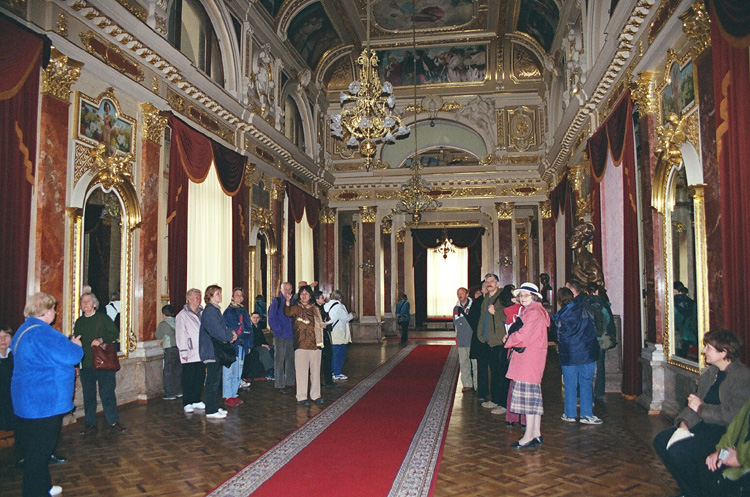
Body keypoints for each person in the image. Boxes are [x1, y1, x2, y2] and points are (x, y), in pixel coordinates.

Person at [653, 329, 750, 497]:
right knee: (661, 441)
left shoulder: (742, 376)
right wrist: (684, 425)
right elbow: (694, 403)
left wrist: (701, 409)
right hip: (702, 423)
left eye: (708, 347)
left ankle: (696, 493)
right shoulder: (710, 373)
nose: (704, 351)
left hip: (723, 430)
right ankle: (692, 491)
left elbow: (734, 417)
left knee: (679, 452)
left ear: (724, 351)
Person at [11, 292, 83, 497]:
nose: (55, 312)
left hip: (26, 401)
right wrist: (75, 345)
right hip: (45, 402)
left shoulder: (23, 329)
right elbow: (72, 355)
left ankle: (44, 486)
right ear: (44, 311)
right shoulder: (44, 333)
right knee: (40, 452)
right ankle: (34, 492)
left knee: (34, 448)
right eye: (53, 309)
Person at [504, 282, 550, 449]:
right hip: (531, 359)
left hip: (528, 360)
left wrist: (508, 339)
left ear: (534, 297)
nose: (522, 298)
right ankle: (536, 433)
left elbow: (524, 335)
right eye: (521, 295)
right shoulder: (532, 311)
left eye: (526, 295)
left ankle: (528, 436)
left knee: (529, 400)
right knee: (533, 399)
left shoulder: (533, 312)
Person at [75, 292, 125, 435]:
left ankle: (113, 421)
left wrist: (102, 339)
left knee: (107, 393)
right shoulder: (79, 322)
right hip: (86, 364)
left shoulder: (102, 319)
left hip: (103, 363)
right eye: (83, 302)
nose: (85, 304)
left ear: (95, 304)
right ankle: (90, 423)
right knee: (88, 395)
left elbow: (115, 333)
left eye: (88, 301)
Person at [551, 287, 602, 424]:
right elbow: (596, 327)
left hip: (569, 354)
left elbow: (556, 335)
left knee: (570, 385)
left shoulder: (559, 316)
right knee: (586, 383)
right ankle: (587, 414)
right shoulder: (586, 308)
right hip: (587, 352)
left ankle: (569, 413)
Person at [199, 285, 236, 419]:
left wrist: (230, 332)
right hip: (211, 350)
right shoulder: (210, 311)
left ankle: (214, 407)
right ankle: (211, 410)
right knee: (212, 381)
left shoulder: (215, 310)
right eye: (217, 293)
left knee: (215, 380)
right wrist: (230, 336)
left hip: (214, 350)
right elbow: (217, 331)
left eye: (220, 293)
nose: (220, 295)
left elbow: (222, 327)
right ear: (210, 296)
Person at [284, 285, 324, 406]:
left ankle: (315, 395)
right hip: (301, 344)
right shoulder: (296, 307)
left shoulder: (315, 308)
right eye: (302, 294)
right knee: (301, 372)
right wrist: (287, 301)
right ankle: (301, 396)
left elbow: (319, 323)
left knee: (316, 372)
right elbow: (287, 312)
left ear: (310, 295)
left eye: (306, 294)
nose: (304, 296)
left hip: (315, 344)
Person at [477, 275, 510, 414]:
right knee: (494, 372)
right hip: (488, 341)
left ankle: (503, 403)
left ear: (497, 283)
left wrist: (495, 312)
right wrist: (480, 335)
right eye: (487, 282)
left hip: (499, 340)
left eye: (492, 281)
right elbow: (482, 318)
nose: (489, 284)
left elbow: (509, 317)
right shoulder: (486, 298)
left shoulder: (503, 297)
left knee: (501, 373)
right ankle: (495, 399)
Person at [705, 397, 750, 496]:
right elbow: (736, 426)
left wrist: (740, 458)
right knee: (710, 468)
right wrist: (721, 450)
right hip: (739, 460)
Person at [175, 288, 206, 414]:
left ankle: (196, 399)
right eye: (196, 297)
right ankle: (187, 401)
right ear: (189, 299)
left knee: (200, 376)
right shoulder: (182, 315)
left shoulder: (202, 313)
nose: (198, 300)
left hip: (201, 351)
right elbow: (180, 334)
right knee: (189, 377)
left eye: (199, 297)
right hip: (190, 351)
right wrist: (183, 352)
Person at [586, 282, 617, 403]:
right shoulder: (603, 304)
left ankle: (586, 391)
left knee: (587, 366)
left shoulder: (585, 303)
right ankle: (599, 391)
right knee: (600, 365)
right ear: (598, 291)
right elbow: (609, 322)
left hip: (588, 339)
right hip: (602, 340)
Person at [223, 288, 253, 406]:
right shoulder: (228, 312)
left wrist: (249, 344)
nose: (239, 298)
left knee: (238, 371)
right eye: (237, 295)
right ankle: (227, 395)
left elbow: (249, 328)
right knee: (228, 372)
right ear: (232, 297)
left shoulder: (244, 311)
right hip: (231, 346)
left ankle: (234, 393)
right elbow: (227, 328)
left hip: (241, 344)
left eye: (241, 296)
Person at [269, 282, 295, 393]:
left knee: (291, 360)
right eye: (285, 289)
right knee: (279, 360)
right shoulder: (277, 301)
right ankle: (279, 384)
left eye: (289, 289)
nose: (287, 291)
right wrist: (279, 330)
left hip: (291, 335)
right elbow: (271, 318)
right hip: (280, 336)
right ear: (281, 290)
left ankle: (290, 382)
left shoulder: (294, 302)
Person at [325, 289, 355, 381]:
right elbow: (345, 318)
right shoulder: (340, 306)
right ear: (340, 298)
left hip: (331, 332)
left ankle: (332, 371)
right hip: (339, 332)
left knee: (333, 353)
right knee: (339, 353)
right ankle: (337, 372)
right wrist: (351, 315)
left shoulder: (327, 305)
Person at [154, 304, 181, 400]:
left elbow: (158, 335)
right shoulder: (178, 321)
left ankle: (169, 394)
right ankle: (178, 391)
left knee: (168, 371)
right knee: (177, 370)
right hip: (179, 347)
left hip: (169, 348)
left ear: (163, 314)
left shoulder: (163, 324)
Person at [453, 287, 475, 392]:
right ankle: (467, 384)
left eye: (462, 293)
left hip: (472, 339)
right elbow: (456, 325)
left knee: (475, 363)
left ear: (467, 294)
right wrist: (456, 337)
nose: (460, 295)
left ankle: (477, 384)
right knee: (463, 362)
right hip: (461, 339)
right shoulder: (456, 309)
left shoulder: (473, 306)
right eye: (458, 293)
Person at [243, 312, 274, 381]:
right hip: (253, 346)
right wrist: (262, 345)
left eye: (257, 318)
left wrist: (267, 345)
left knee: (272, 349)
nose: (255, 319)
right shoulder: (249, 327)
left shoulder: (258, 326)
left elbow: (262, 338)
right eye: (254, 317)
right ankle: (269, 372)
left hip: (260, 345)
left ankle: (274, 369)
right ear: (250, 318)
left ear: (259, 318)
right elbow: (252, 340)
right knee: (264, 351)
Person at [467, 284, 485, 396]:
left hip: (485, 338)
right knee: (476, 364)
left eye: (480, 292)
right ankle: (477, 385)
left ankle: (480, 386)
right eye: (477, 293)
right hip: (476, 337)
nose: (479, 294)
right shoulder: (475, 304)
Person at [314, 291, 335, 387]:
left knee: (327, 358)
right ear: (317, 299)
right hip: (318, 337)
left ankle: (328, 380)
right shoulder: (314, 309)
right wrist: (321, 325)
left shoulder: (322, 308)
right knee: (318, 361)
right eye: (322, 297)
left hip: (325, 336)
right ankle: (318, 382)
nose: (324, 299)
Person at [674, 281, 699, 358]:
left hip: (677, 336)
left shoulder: (673, 302)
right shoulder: (693, 303)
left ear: (675, 290)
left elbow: (675, 321)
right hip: (689, 335)